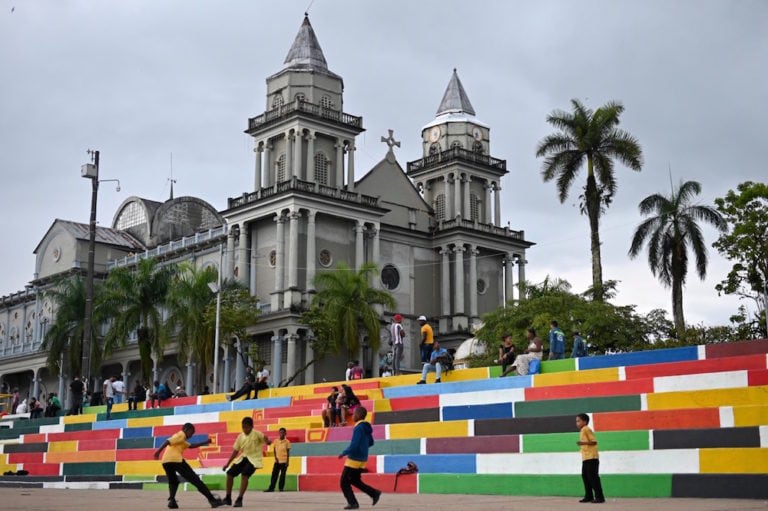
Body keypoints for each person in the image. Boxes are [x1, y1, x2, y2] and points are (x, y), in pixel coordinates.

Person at [154, 422, 223, 509]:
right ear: (186, 430)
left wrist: (205, 442)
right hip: (176, 460)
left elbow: (191, 446)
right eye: (191, 432)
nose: (191, 435)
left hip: (166, 462)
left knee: (173, 481)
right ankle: (212, 500)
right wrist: (157, 452)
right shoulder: (181, 435)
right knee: (195, 479)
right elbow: (168, 441)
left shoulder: (181, 440)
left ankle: (172, 501)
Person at [338, 406, 381, 510]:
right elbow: (371, 442)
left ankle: (353, 503)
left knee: (343, 482)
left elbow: (355, 444)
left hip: (354, 459)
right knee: (355, 480)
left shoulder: (358, 427)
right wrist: (363, 448)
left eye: (353, 414)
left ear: (357, 415)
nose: (352, 416)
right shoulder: (366, 427)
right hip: (363, 459)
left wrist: (344, 452)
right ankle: (374, 493)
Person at [222, 416, 270, 507]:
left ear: (251, 426)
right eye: (243, 427)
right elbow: (235, 451)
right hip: (244, 457)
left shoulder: (257, 434)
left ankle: (239, 499)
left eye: (247, 427)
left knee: (244, 475)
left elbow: (265, 438)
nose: (245, 429)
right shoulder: (240, 436)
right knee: (229, 474)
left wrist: (268, 442)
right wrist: (227, 464)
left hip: (254, 459)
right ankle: (228, 497)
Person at [576, 413, 605, 504]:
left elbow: (594, 442)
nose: (577, 423)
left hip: (592, 457)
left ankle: (599, 497)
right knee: (585, 476)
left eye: (578, 421)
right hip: (586, 458)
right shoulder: (582, 431)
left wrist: (582, 443)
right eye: (576, 421)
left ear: (585, 421)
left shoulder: (586, 429)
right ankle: (588, 496)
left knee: (593, 477)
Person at [265, 427, 291, 492]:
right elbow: (274, 450)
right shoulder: (276, 441)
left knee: (282, 475)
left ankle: (281, 488)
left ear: (285, 433)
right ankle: (271, 488)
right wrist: (275, 458)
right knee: (274, 474)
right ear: (279, 433)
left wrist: (287, 461)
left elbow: (288, 452)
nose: (281, 434)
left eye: (283, 432)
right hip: (277, 461)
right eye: (280, 432)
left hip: (284, 461)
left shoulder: (287, 442)